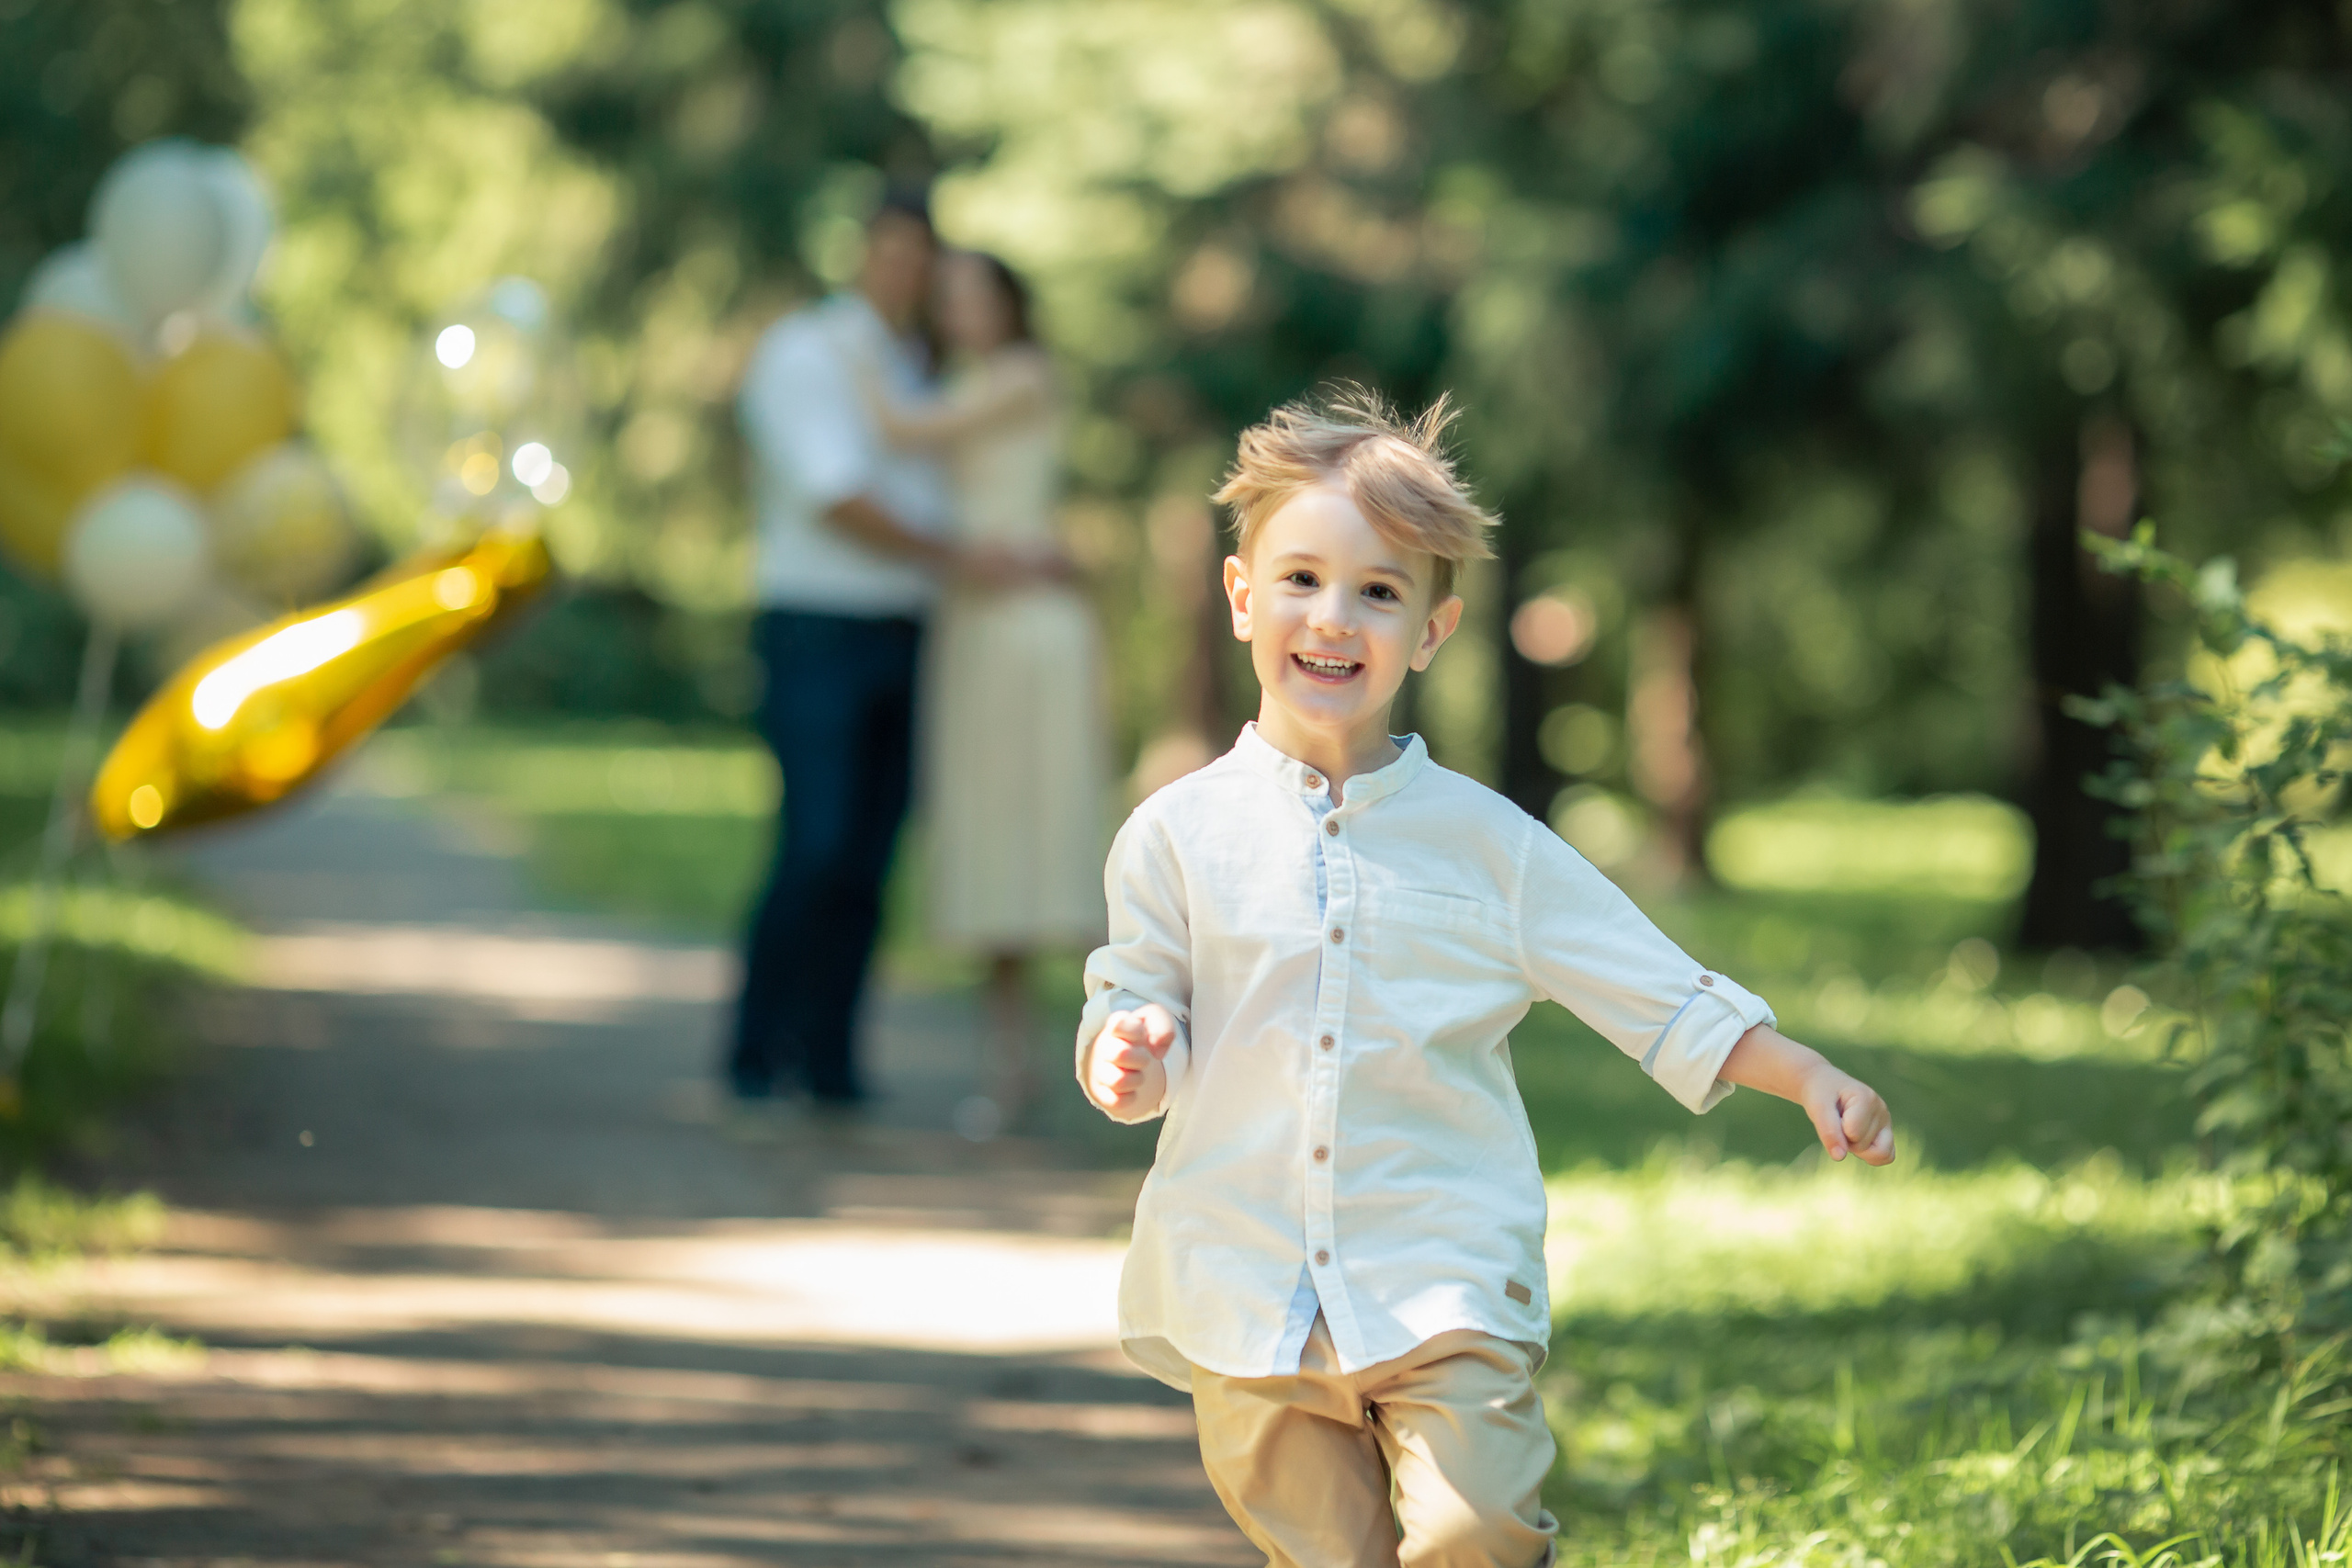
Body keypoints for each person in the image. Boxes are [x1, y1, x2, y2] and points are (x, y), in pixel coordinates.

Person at [1076, 387, 1896, 1565]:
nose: (1335, 616)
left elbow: (1650, 986)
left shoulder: (1490, 845)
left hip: (1441, 1276)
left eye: (1379, 591)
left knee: (1480, 1532)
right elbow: (1131, 994)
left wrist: (1805, 1072)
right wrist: (1125, 1048)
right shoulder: (1174, 835)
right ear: (1242, 595)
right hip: (1244, 1284)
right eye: (1301, 578)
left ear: (1434, 629)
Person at [729, 193, 982, 1106]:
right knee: (816, 841)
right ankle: (757, 1055)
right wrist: (965, 557)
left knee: (874, 853)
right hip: (816, 623)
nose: (903, 272)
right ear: (862, 254)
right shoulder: (804, 352)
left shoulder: (925, 369)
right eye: (891, 253)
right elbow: (833, 494)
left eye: (920, 258)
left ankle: (832, 1063)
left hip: (908, 630)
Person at [862, 251, 1106, 1131]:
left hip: (1027, 626)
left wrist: (851, 338)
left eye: (976, 295)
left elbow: (899, 426)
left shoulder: (1017, 376)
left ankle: (1143, 1056)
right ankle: (1010, 1074)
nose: (961, 311)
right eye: (949, 297)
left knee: (1049, 835)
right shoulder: (968, 386)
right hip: (974, 624)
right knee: (993, 843)